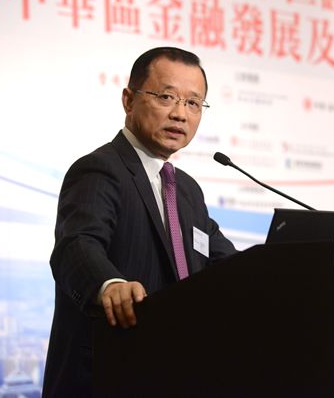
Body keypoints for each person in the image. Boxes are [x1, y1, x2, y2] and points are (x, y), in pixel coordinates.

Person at [42, 47, 237, 397]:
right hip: (109, 374)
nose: (180, 114)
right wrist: (109, 284)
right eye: (166, 97)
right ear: (129, 100)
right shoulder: (100, 169)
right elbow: (77, 244)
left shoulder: (187, 190)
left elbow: (225, 264)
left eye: (193, 103)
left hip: (174, 374)